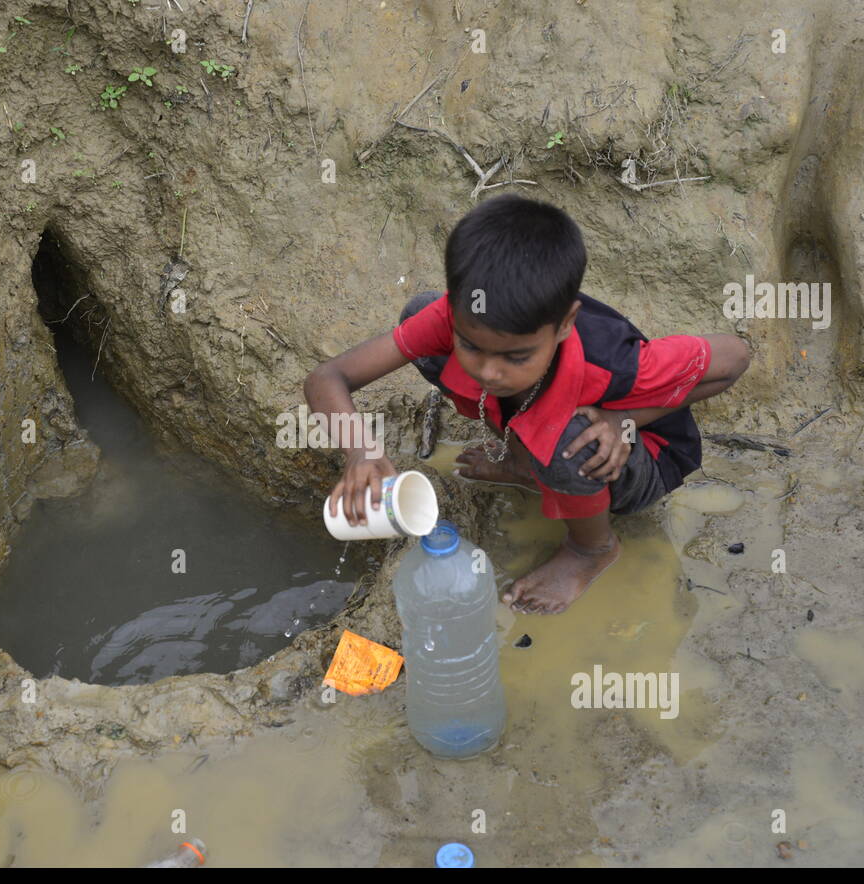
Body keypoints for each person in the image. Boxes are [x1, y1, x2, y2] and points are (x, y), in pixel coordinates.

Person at [302, 193, 751, 614]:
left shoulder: (613, 359)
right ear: (458, 307)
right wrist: (361, 450)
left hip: (639, 459)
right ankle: (524, 467)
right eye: (471, 344)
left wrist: (624, 419)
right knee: (418, 317)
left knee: (566, 439)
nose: (488, 372)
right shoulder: (461, 317)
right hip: (544, 419)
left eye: (516, 356)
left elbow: (734, 358)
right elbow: (328, 377)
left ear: (564, 325)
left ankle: (591, 548)